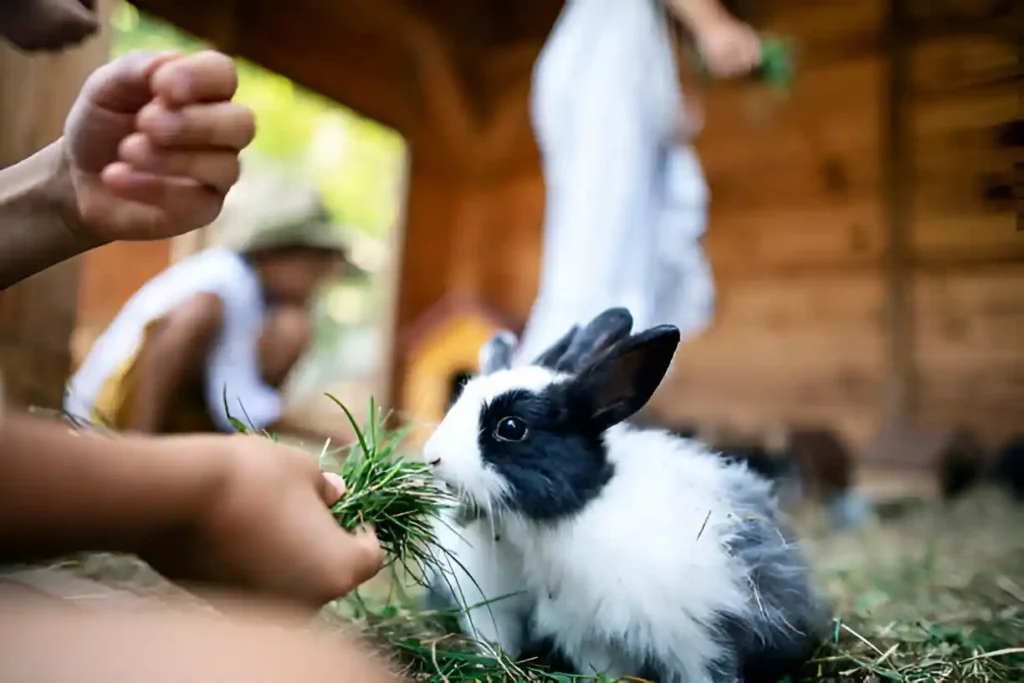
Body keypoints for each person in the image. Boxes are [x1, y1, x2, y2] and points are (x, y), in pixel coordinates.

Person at [0, 10, 395, 679]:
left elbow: (240, 397)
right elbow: (179, 349)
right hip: (111, 423)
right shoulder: (219, 291)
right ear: (279, 250)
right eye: (317, 260)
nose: (324, 278)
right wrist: (168, 476)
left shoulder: (247, 295)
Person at [514, 0, 762, 363]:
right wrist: (714, 24)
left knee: (602, 254)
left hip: (596, 62)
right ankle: (548, 397)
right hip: (606, 63)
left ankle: (571, 392)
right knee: (600, 259)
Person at [64, 163, 360, 445]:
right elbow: (235, 400)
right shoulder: (227, 283)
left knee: (291, 327)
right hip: (102, 413)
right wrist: (333, 433)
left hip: (175, 420)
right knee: (203, 312)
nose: (320, 276)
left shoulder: (256, 296)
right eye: (311, 263)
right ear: (271, 252)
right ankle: (141, 446)